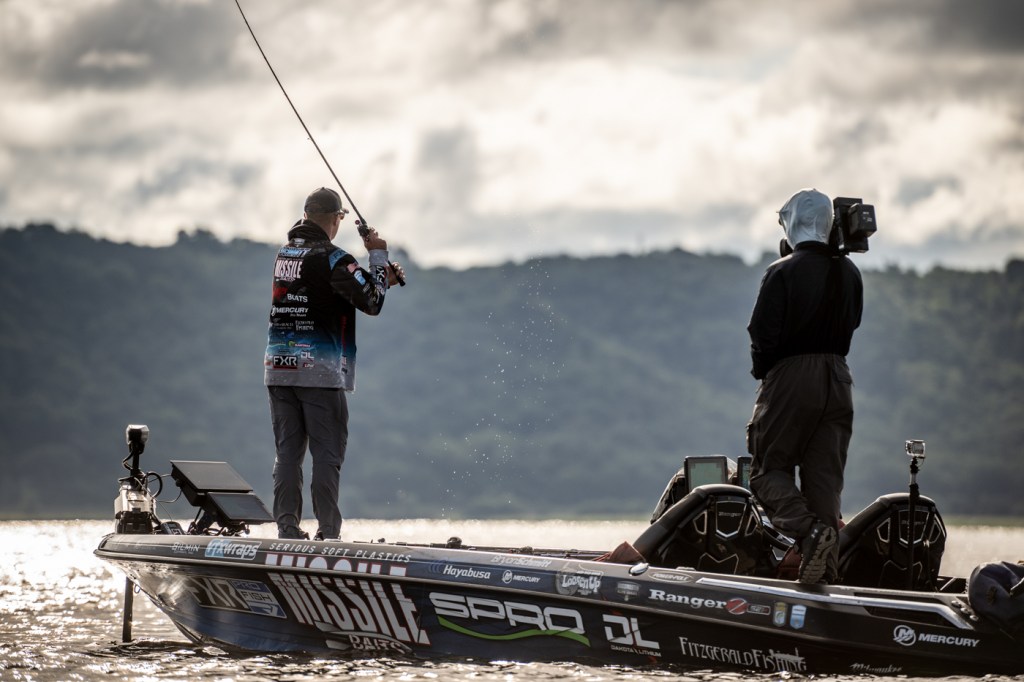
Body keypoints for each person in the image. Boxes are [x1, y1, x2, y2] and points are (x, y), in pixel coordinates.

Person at [264, 187, 404, 540]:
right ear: (336, 219)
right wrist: (377, 257)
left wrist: (377, 280)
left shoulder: (285, 254)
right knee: (327, 454)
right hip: (318, 372)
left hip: (279, 367)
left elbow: (327, 291)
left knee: (287, 455)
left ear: (306, 215)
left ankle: (287, 529)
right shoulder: (335, 258)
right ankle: (328, 533)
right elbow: (372, 302)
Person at [745, 188, 863, 584]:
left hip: (792, 377)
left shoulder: (781, 271)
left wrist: (767, 375)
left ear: (792, 225)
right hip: (839, 378)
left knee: (767, 472)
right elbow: (853, 324)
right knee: (825, 486)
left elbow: (762, 336)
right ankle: (824, 578)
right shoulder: (850, 273)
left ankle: (811, 534)